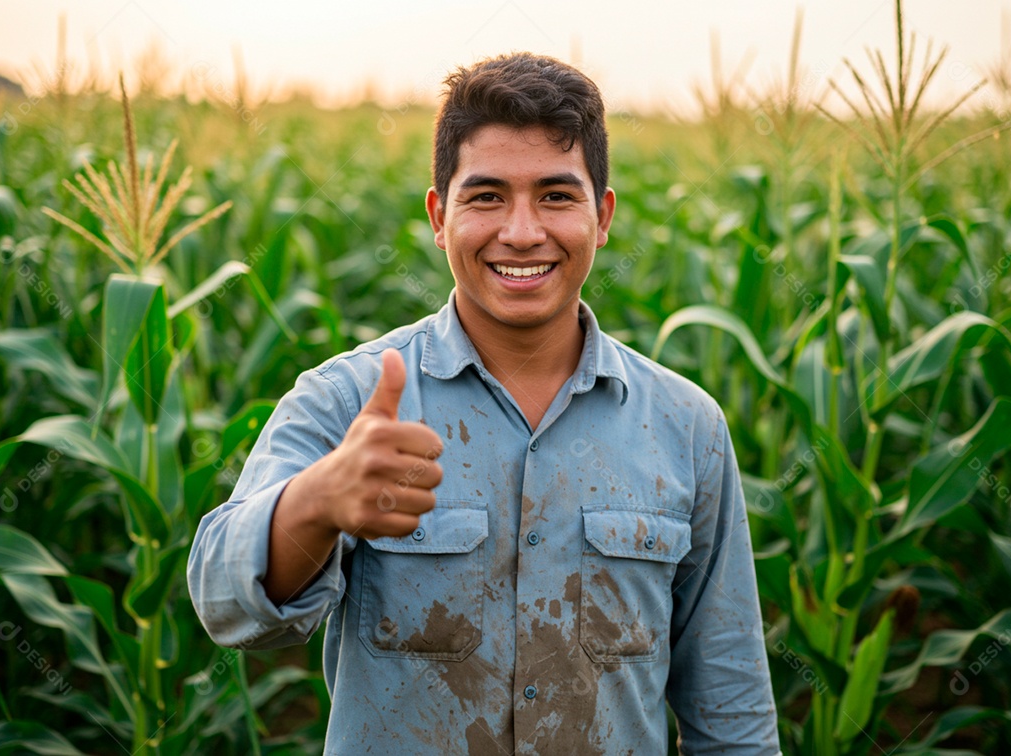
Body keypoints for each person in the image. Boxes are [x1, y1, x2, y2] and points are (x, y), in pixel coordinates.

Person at [188, 51, 781, 755]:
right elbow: (224, 606)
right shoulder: (348, 401)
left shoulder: (687, 429)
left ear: (604, 216)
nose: (522, 232)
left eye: (557, 196)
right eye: (487, 196)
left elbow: (732, 710)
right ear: (440, 217)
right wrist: (317, 501)